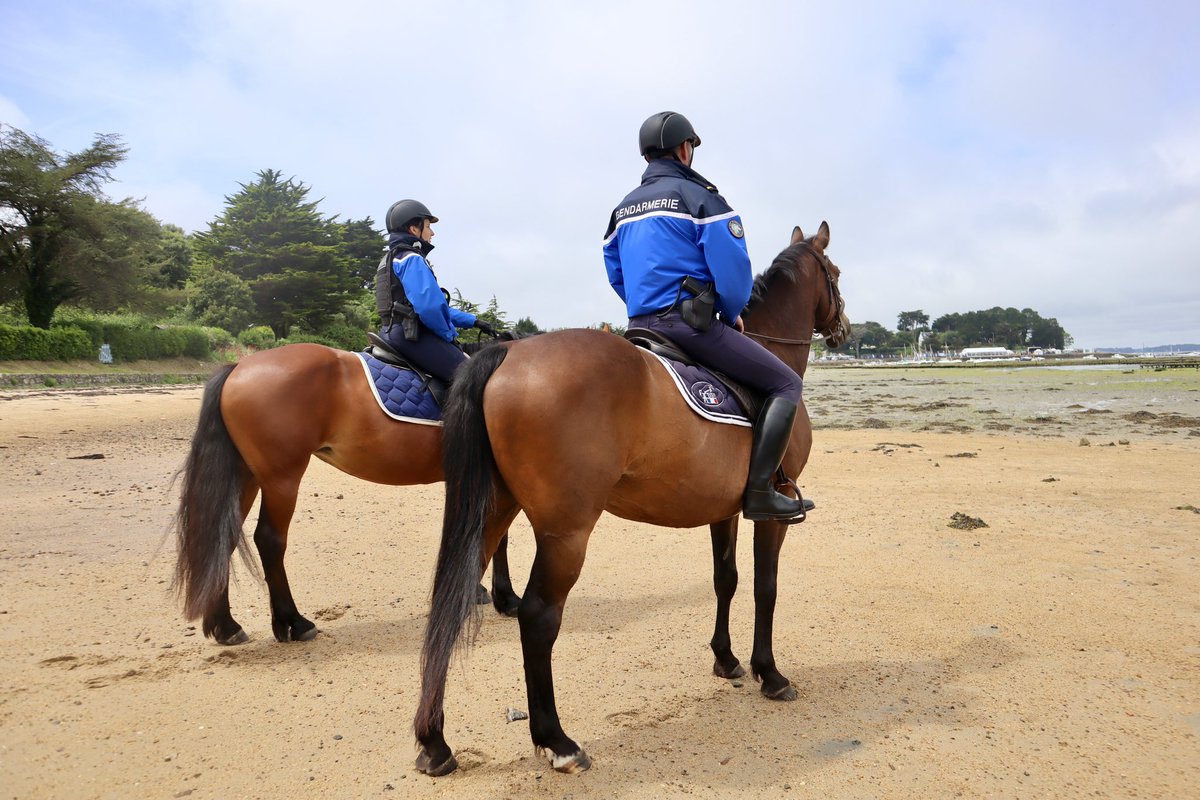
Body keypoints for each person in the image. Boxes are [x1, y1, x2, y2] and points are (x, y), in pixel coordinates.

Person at [602, 112, 806, 521]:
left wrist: (643, 306)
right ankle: (760, 491)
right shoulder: (702, 198)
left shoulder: (622, 209)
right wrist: (730, 314)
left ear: (646, 156)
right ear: (684, 149)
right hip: (690, 327)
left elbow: (616, 272)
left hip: (640, 327)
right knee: (787, 383)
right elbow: (734, 274)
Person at [374, 199, 497, 383]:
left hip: (391, 332)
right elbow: (430, 308)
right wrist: (449, 336)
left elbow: (430, 307)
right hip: (410, 336)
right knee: (474, 379)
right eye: (428, 226)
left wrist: (473, 321)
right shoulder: (412, 259)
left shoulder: (391, 259)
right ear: (414, 229)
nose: (432, 233)